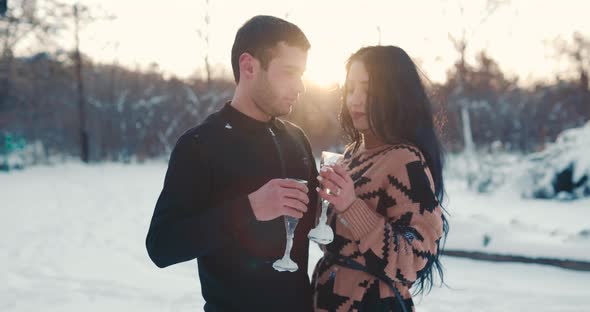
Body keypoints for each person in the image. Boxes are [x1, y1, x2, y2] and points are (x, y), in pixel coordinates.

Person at [146, 15, 318, 312]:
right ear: (249, 66)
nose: (300, 86)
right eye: (289, 72)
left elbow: (318, 225)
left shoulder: (296, 139)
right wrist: (249, 208)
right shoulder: (200, 144)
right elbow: (162, 246)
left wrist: (338, 201)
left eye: (301, 73)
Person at [311, 45, 449, 312]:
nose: (355, 100)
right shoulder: (353, 153)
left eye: (369, 90)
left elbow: (414, 259)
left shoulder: (405, 160)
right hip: (328, 297)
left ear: (395, 94)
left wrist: (352, 207)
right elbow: (338, 241)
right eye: (350, 88)